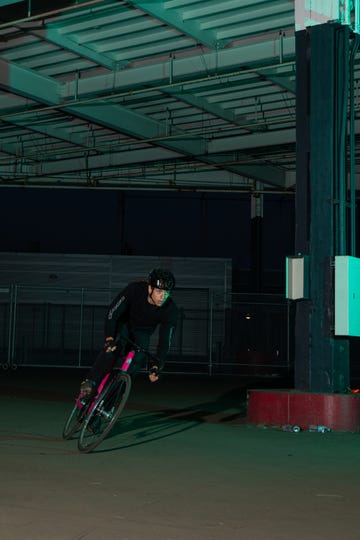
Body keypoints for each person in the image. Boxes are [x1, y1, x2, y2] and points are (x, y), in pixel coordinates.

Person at [79, 268, 179, 398]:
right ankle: (90, 381)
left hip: (142, 333)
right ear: (150, 289)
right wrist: (109, 338)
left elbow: (165, 341)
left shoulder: (170, 310)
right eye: (159, 291)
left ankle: (114, 398)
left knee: (138, 359)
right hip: (124, 324)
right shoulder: (135, 289)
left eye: (167, 293)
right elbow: (112, 313)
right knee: (114, 347)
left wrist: (157, 365)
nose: (163, 297)